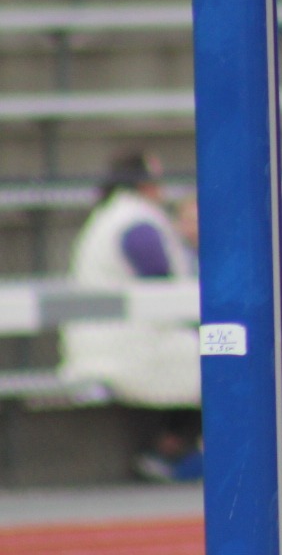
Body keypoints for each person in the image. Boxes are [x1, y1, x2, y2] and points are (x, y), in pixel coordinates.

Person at [60, 150, 202, 482]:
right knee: (207, 357)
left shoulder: (112, 216)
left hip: (106, 331)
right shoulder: (135, 221)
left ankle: (162, 448)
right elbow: (159, 278)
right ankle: (163, 451)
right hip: (122, 335)